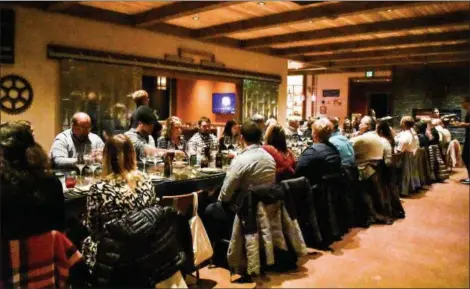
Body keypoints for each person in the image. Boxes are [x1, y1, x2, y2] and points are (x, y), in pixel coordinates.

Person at [82, 134, 158, 271]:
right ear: (132, 155)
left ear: (106, 157)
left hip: (112, 257)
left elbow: (92, 229)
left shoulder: (99, 189)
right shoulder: (146, 180)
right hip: (144, 251)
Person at [204, 121, 276, 242]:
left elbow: (225, 196)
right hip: (265, 209)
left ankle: (214, 251)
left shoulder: (241, 160)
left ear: (241, 138)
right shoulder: (270, 158)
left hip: (243, 212)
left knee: (209, 209)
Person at [1, 121, 65, 239]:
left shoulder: (5, 187)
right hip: (46, 253)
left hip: (8, 255)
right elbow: (59, 226)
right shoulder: (52, 182)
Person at [295, 118, 341, 186]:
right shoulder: (334, 148)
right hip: (332, 190)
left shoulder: (312, 151)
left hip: (313, 191)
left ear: (314, 134)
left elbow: (298, 171)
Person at [454, 96, 470, 184]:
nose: (461, 104)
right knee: (466, 155)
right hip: (468, 135)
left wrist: (463, 124)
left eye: (463, 102)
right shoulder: (468, 111)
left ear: (468, 102)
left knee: (466, 155)